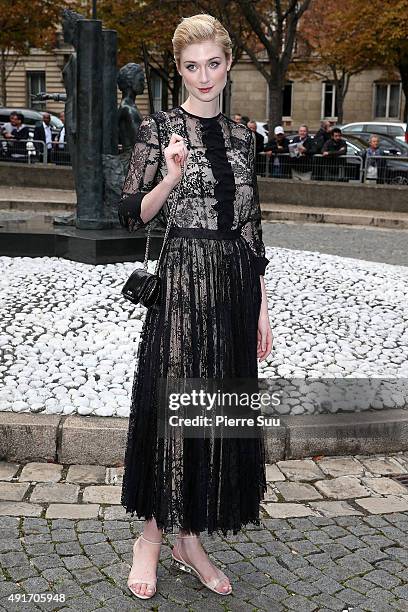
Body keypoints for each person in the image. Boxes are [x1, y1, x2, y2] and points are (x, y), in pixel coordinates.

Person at [117, 13, 273, 601]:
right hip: (182, 279)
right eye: (191, 66)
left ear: (229, 64)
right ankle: (151, 537)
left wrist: (260, 306)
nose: (203, 76)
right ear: (177, 69)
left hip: (233, 285)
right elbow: (133, 213)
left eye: (213, 63)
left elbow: (252, 227)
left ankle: (190, 537)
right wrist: (171, 177)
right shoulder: (158, 129)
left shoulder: (241, 136)